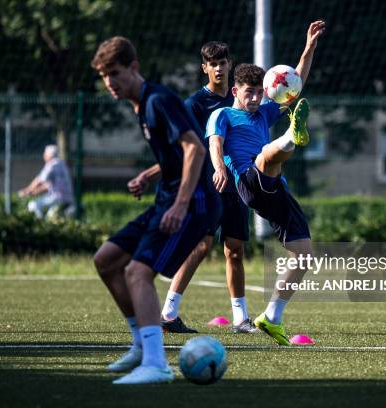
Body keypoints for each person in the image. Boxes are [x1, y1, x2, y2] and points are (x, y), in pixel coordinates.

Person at [91, 36, 221, 384]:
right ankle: (140, 345)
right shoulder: (141, 105)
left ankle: (156, 364)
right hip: (167, 199)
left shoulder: (159, 100)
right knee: (105, 259)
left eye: (115, 74)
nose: (110, 83)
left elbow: (195, 150)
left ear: (133, 68)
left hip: (192, 204)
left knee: (137, 273)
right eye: (105, 77)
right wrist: (148, 175)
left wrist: (180, 203)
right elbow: (176, 155)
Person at [206, 20, 326, 345]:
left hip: (276, 188)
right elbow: (215, 144)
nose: (257, 98)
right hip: (247, 180)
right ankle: (291, 135)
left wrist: (309, 46)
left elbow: (293, 82)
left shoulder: (263, 113)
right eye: (250, 92)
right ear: (235, 91)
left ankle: (271, 317)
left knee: (303, 256)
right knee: (265, 158)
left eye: (261, 92)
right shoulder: (223, 116)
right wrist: (219, 169)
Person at [159, 41, 257, 334]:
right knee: (200, 246)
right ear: (205, 69)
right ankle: (168, 314)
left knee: (235, 250)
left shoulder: (240, 98)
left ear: (229, 64)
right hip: (206, 186)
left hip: (236, 185)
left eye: (223, 62)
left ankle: (240, 319)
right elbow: (180, 146)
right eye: (212, 64)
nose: (219, 68)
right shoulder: (195, 105)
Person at [18, 144, 74, 218]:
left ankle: (40, 224)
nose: (44, 156)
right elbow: (47, 185)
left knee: (33, 205)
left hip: (58, 197)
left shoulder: (52, 164)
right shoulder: (62, 164)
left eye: (45, 154)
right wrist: (33, 192)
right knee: (51, 218)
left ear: (49, 155)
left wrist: (26, 190)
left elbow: (39, 180)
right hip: (67, 198)